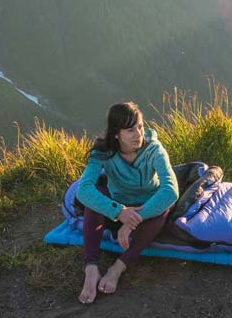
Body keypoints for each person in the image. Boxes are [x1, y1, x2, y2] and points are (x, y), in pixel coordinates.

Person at [76, 101, 179, 303]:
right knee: (95, 196)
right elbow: (83, 189)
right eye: (131, 130)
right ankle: (91, 269)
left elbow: (171, 190)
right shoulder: (103, 151)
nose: (139, 134)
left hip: (147, 208)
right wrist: (119, 212)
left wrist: (135, 219)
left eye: (140, 127)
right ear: (116, 134)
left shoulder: (154, 150)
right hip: (118, 205)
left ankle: (119, 266)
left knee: (165, 207)